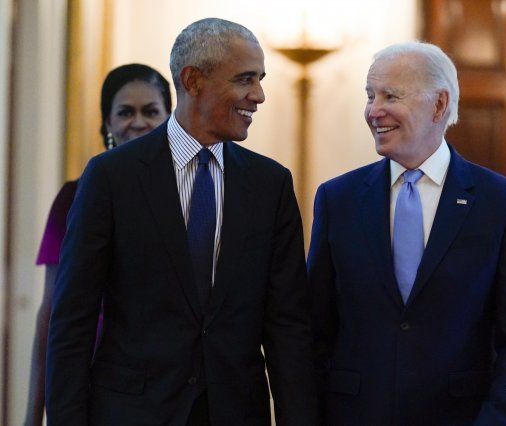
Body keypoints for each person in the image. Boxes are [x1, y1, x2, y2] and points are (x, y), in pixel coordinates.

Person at [45, 17, 317, 426]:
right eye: (245, 79)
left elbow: (287, 327)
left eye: (260, 80)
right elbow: (73, 319)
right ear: (193, 81)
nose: (258, 95)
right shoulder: (110, 177)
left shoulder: (270, 184)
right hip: (132, 413)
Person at [307, 41, 506, 425]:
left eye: (390, 95)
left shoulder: (503, 204)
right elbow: (315, 331)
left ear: (438, 105)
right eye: (370, 96)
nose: (373, 111)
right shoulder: (338, 199)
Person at [25, 63, 172, 426]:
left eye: (151, 112)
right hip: (91, 379)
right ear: (107, 124)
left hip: (169, 385)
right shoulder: (74, 198)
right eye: (125, 112)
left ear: (171, 120)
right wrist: (33, 415)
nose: (138, 122)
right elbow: (52, 313)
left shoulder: (186, 197)